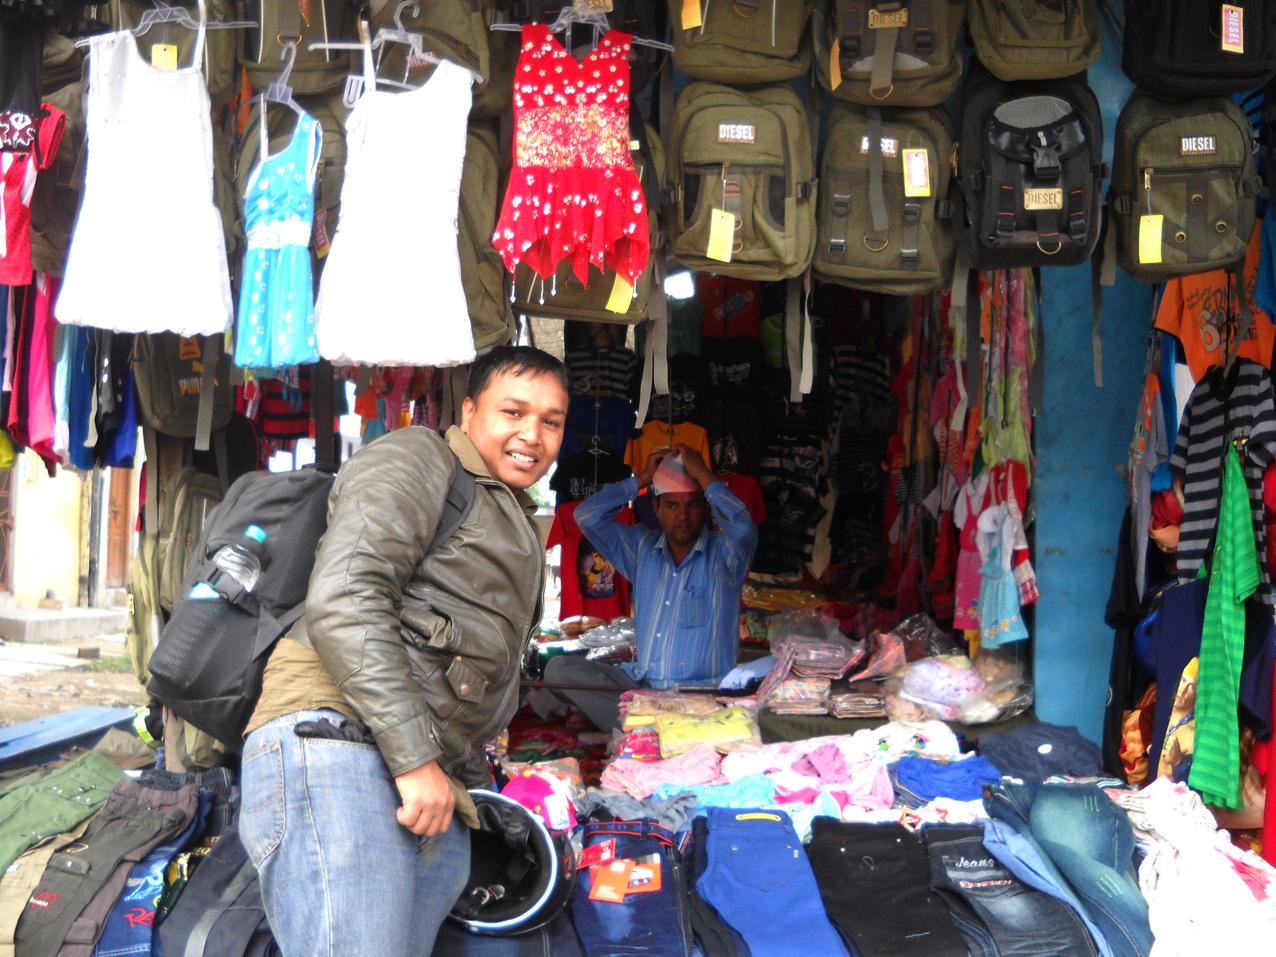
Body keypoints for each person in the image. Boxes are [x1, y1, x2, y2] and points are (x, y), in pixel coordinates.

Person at [237, 346, 569, 956]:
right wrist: (417, 763)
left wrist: (468, 790)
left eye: (551, 421)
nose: (532, 435)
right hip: (338, 742)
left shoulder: (504, 507)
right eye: (513, 412)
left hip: (412, 772)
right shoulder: (419, 457)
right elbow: (346, 596)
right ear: (469, 411)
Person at [544, 445, 758, 732]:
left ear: (705, 507)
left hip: (699, 695)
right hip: (642, 684)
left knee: (612, 703)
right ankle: (644, 723)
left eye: (692, 504)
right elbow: (587, 515)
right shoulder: (641, 549)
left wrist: (702, 474)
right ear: (656, 509)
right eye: (672, 505)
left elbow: (744, 527)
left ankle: (632, 723)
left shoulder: (726, 556)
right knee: (558, 670)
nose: (683, 515)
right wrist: (640, 480)